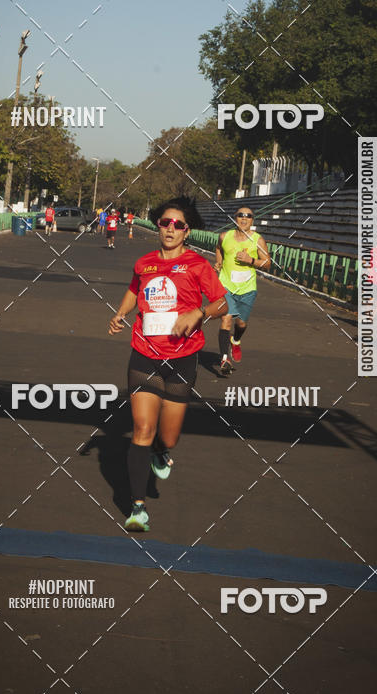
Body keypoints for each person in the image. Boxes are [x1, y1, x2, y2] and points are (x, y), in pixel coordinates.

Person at [108, 196, 227, 532]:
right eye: (165, 222)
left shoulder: (197, 265)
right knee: (142, 429)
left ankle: (162, 452)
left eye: (178, 225)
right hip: (144, 354)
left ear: (187, 231)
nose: (170, 229)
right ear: (157, 225)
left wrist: (197, 313)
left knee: (168, 437)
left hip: (182, 358)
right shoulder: (144, 263)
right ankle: (137, 507)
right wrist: (121, 313)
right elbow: (134, 290)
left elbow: (221, 302)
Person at [213, 207, 270, 376]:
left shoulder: (258, 240)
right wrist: (220, 262)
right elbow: (218, 248)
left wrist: (250, 260)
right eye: (240, 216)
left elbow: (267, 264)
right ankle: (225, 359)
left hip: (247, 288)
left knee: (241, 324)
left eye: (248, 217)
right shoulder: (224, 236)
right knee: (226, 318)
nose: (244, 219)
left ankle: (236, 340)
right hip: (226, 285)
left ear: (253, 220)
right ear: (235, 218)